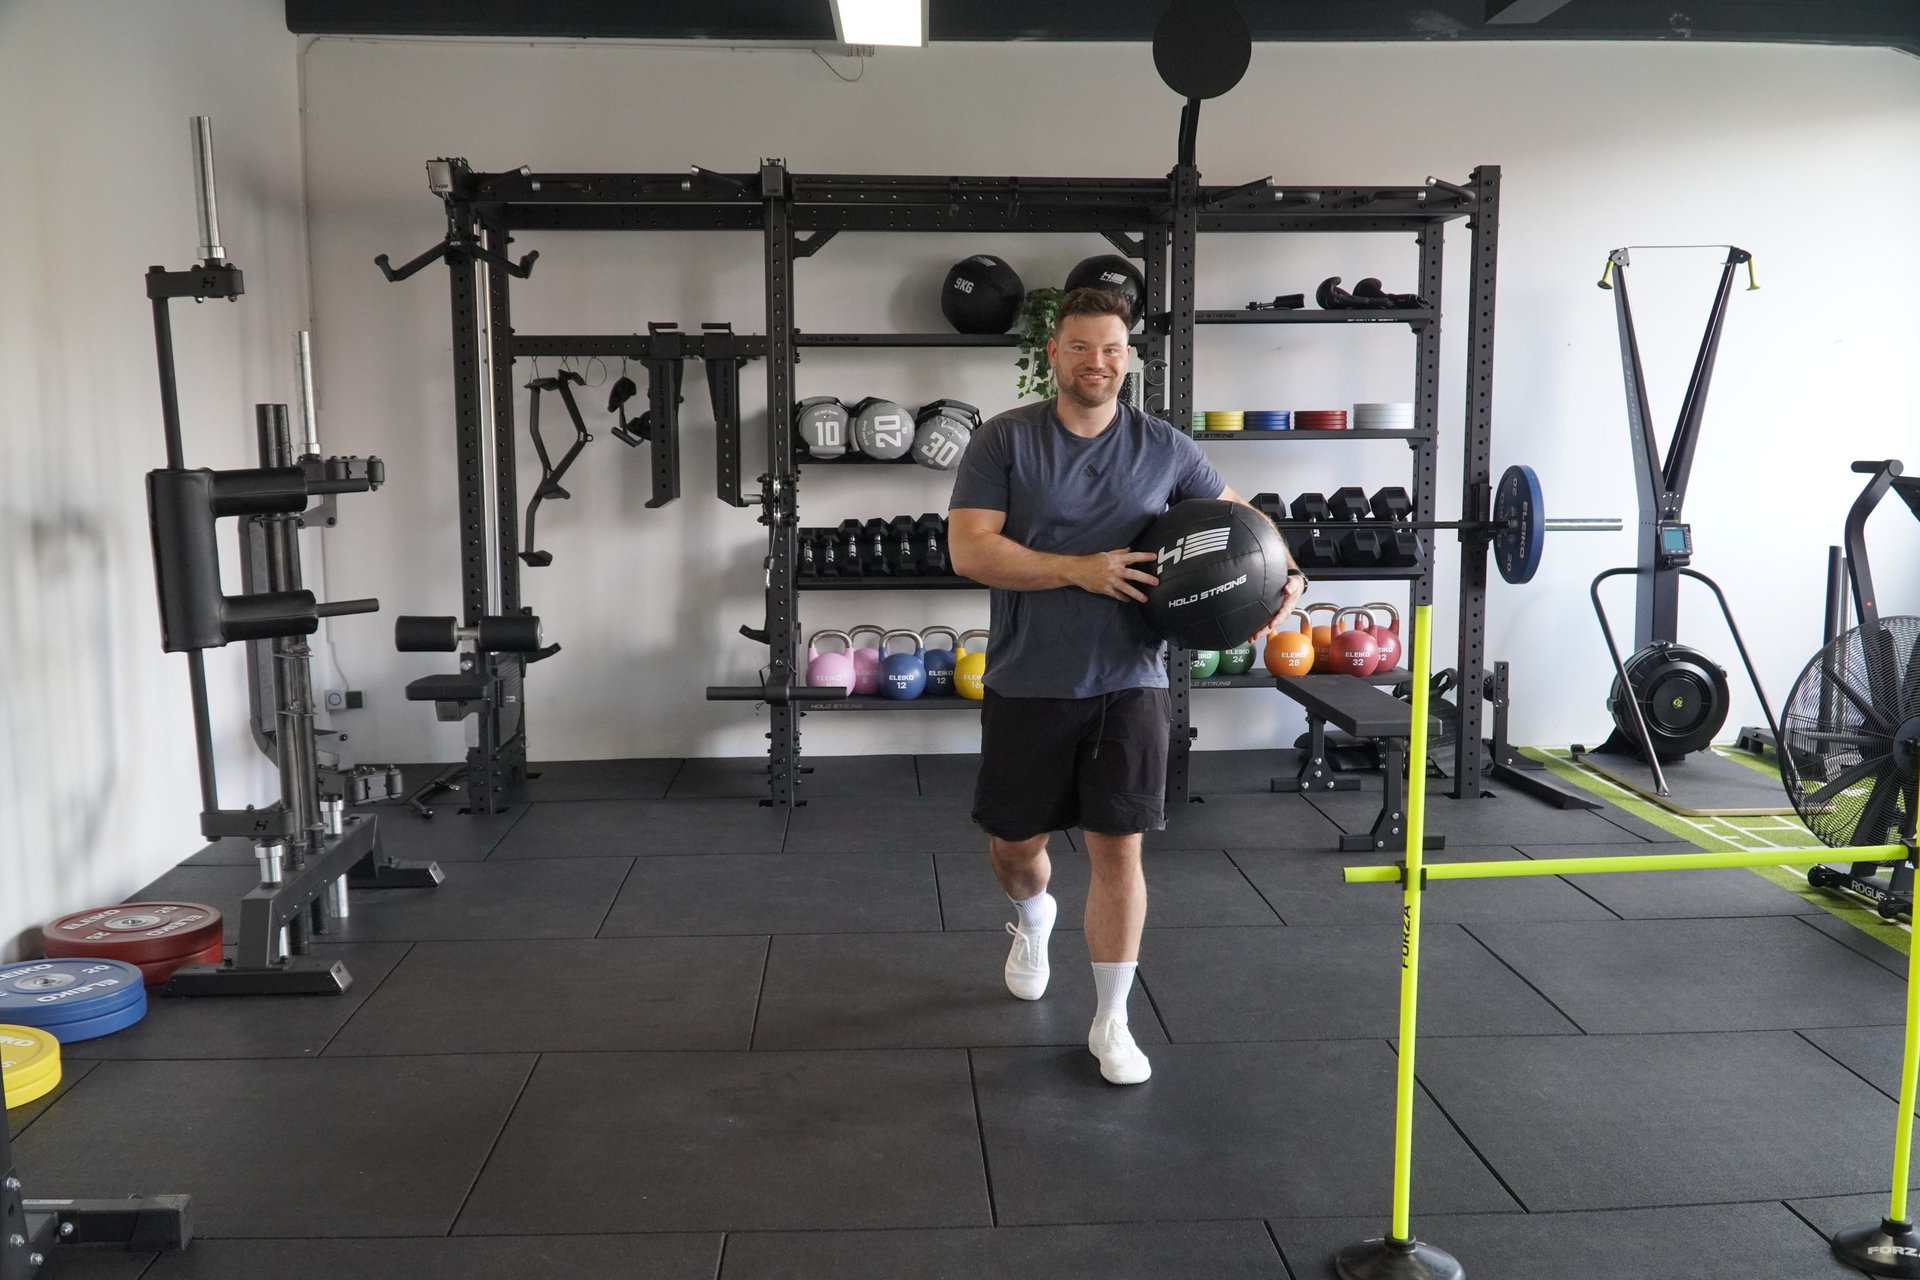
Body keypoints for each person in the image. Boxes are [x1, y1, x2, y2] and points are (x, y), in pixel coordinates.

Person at [947, 286, 1304, 1085]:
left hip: (1131, 678)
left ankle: (1112, 1020)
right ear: (1053, 354)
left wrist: (1289, 573)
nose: (1097, 362)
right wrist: (1081, 569)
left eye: (1111, 348)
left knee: (1120, 849)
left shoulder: (1164, 446)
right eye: (1080, 347)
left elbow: (1240, 518)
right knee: (1016, 850)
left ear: (1129, 357)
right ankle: (1032, 915)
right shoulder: (1006, 440)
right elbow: (970, 550)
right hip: (1029, 677)